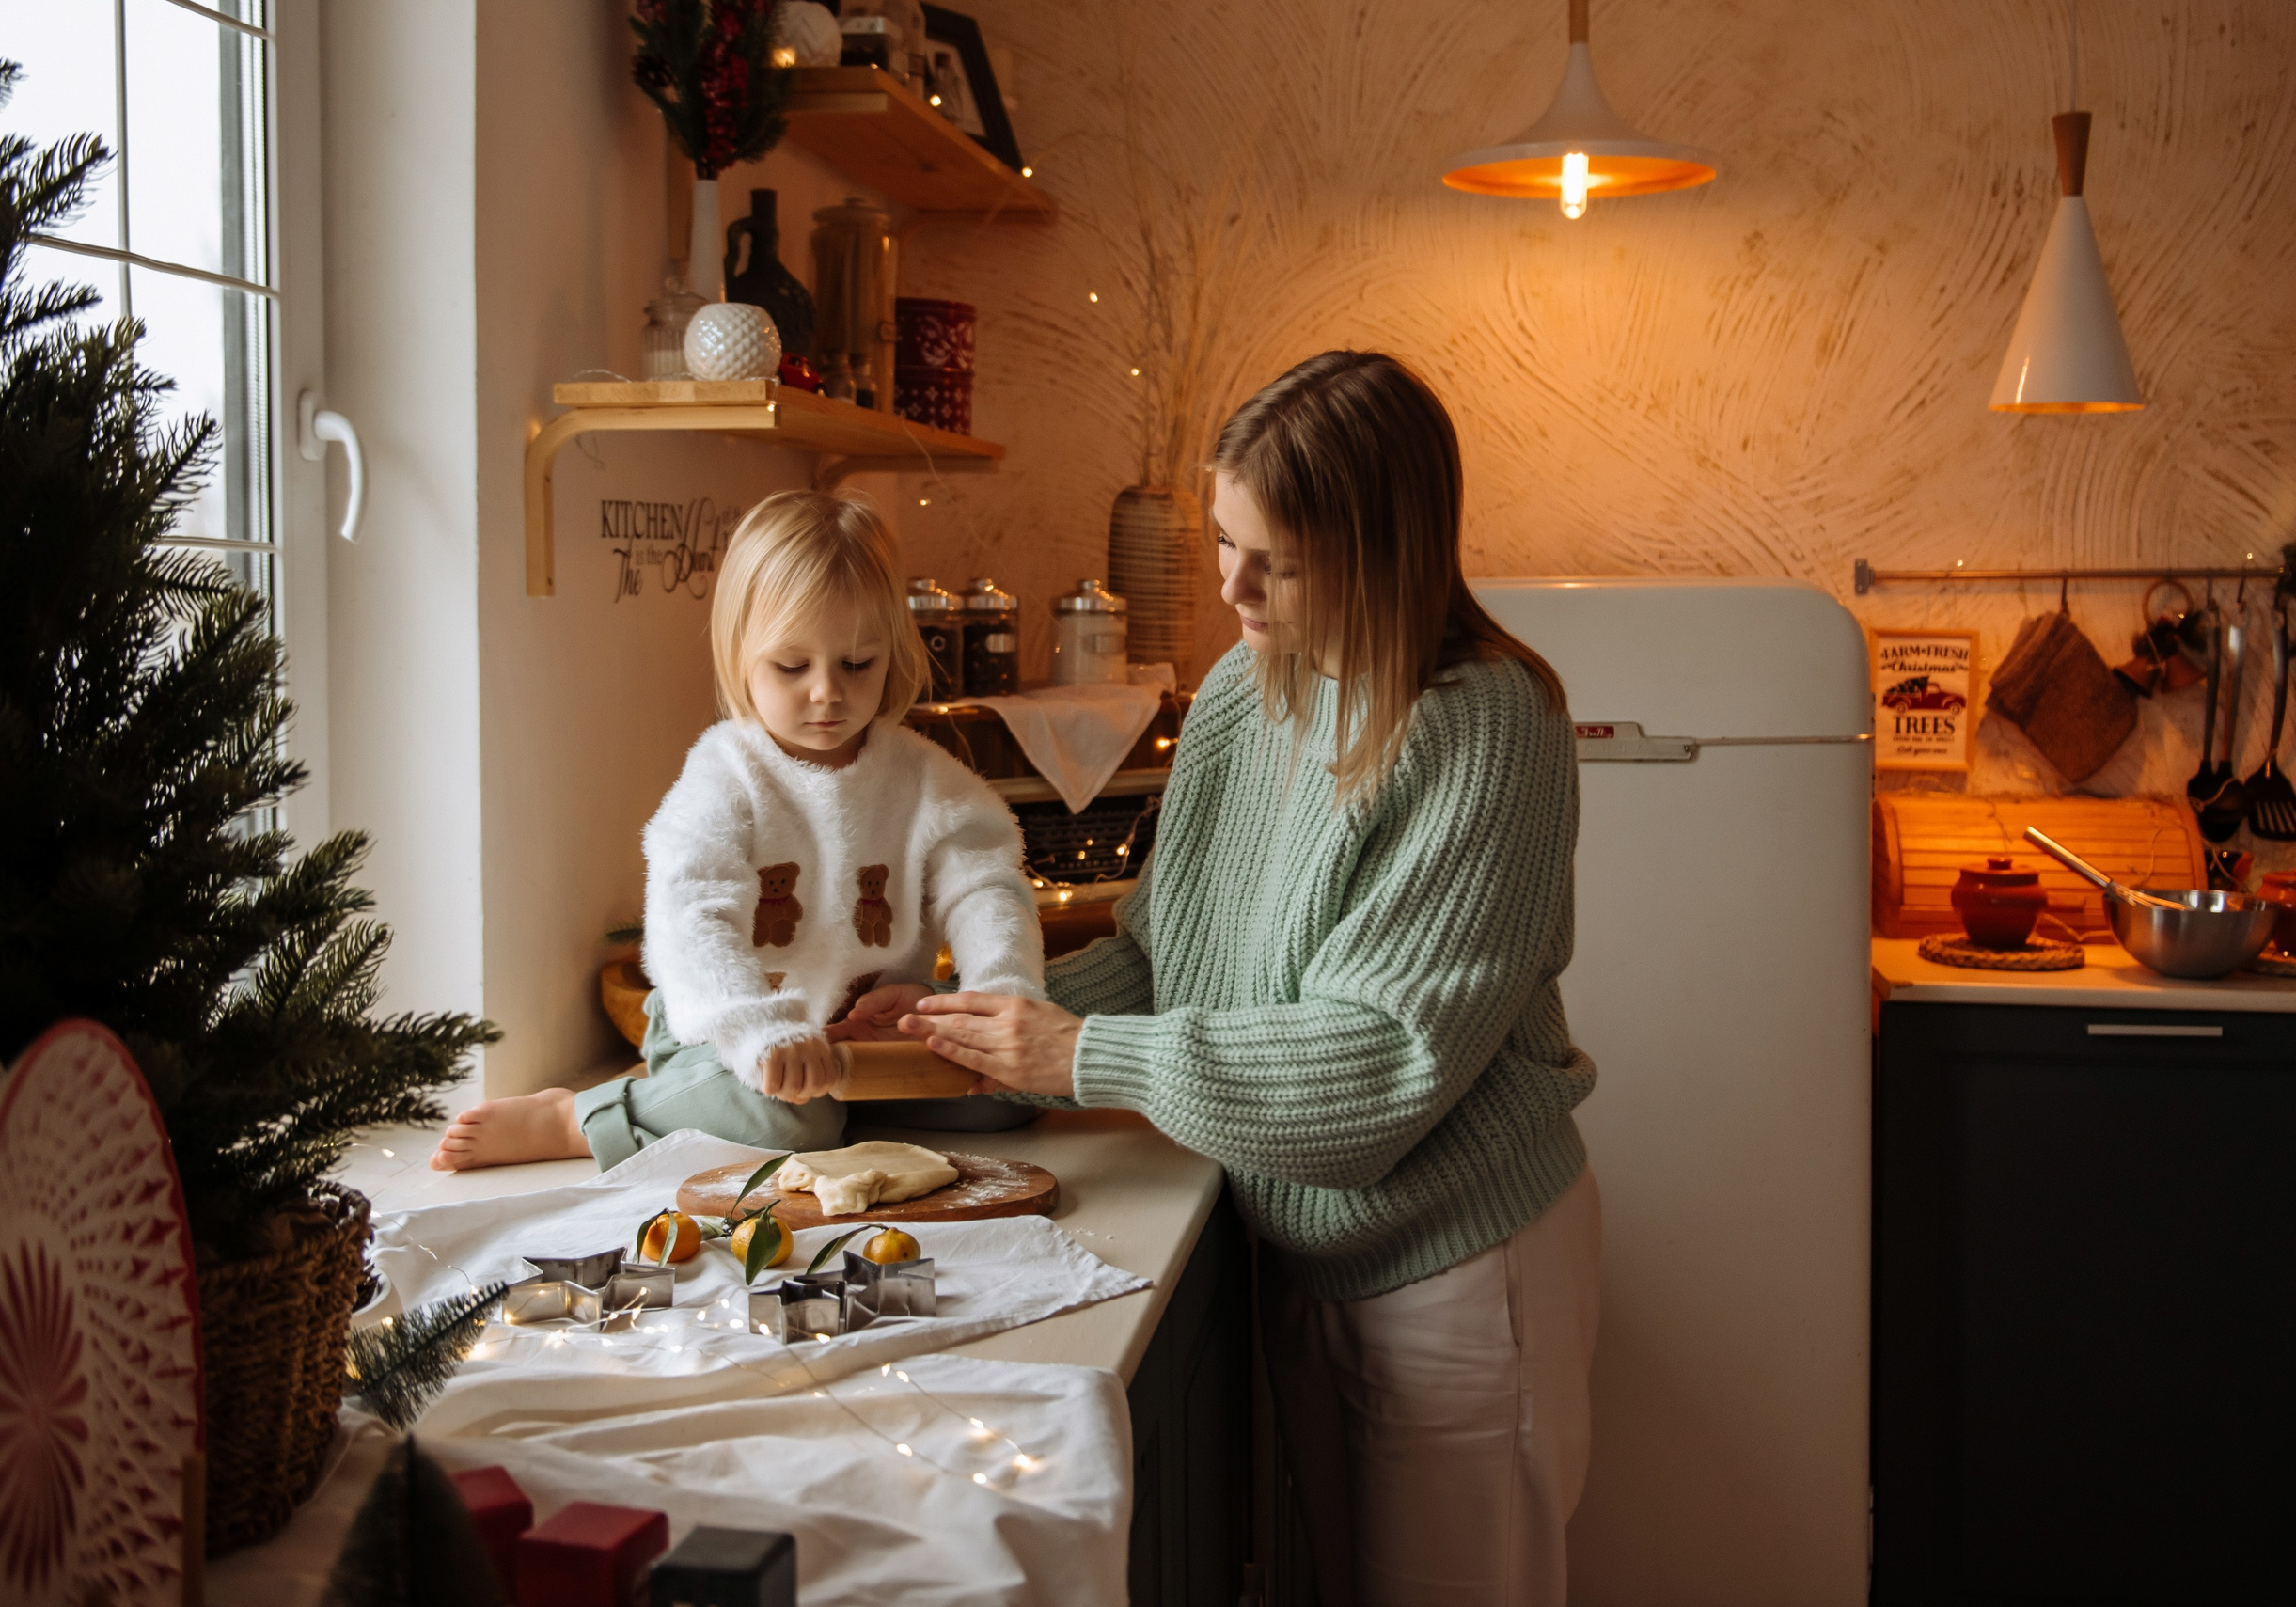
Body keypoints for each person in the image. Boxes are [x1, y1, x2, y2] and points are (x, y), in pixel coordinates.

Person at [850, 352, 1601, 1605]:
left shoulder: (1487, 724)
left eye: (1278, 561)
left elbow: (1377, 1070)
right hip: (1299, 1244)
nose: (1231, 585)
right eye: (1222, 540)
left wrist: (1073, 1058)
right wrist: (961, 1020)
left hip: (1464, 1273)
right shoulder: (1240, 702)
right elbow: (1164, 956)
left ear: (1382, 550)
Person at [432, 490, 1044, 1172]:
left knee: (1007, 1097)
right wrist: (758, 1029)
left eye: (857, 663)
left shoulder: (924, 778)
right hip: (728, 1032)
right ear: (742, 654)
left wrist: (997, 999)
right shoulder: (726, 774)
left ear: (891, 651)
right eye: (792, 666)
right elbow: (690, 918)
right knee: (794, 1117)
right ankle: (580, 1116)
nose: (827, 692)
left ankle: (838, 1105)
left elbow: (987, 887)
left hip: (858, 1045)